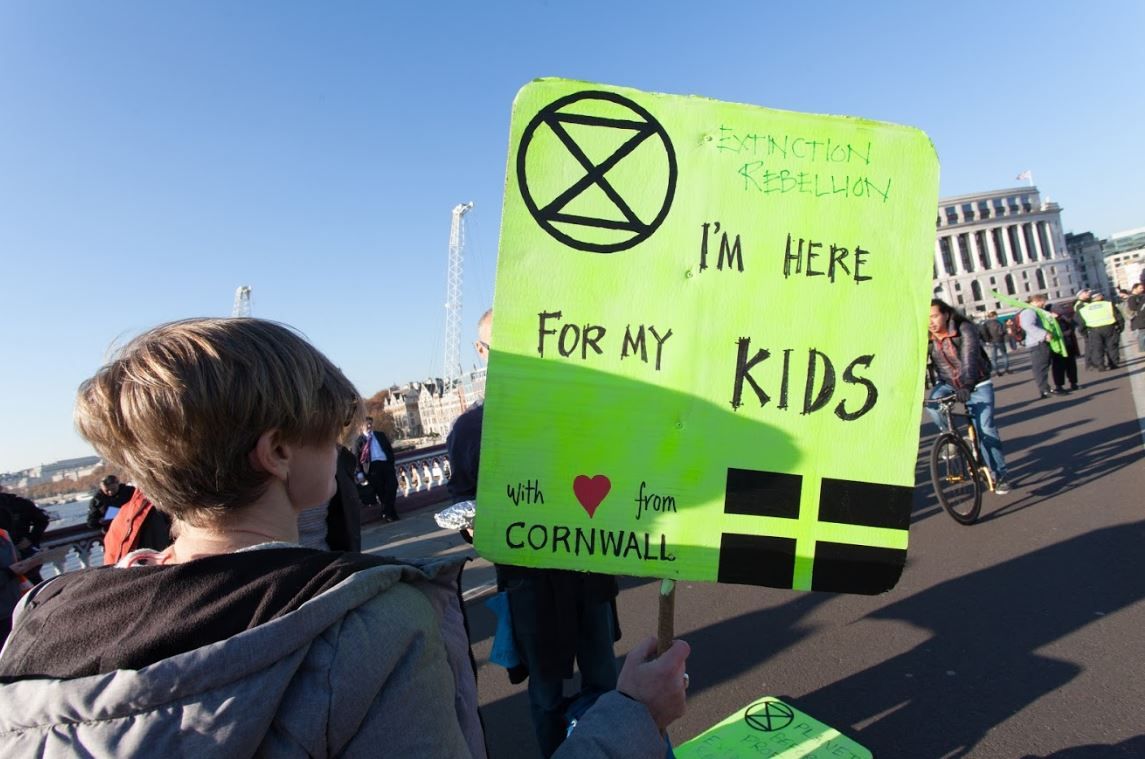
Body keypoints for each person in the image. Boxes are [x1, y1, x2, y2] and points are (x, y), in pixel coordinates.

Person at [0, 317, 687, 758]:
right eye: (326, 434)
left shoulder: (44, 627)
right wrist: (631, 716)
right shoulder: (374, 631)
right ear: (275, 453)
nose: (341, 449)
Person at [447, 309, 625, 757]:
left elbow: (613, 470)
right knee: (546, 694)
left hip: (588, 571)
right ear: (481, 351)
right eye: (497, 345)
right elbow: (462, 500)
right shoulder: (471, 428)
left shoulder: (572, 411)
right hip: (529, 585)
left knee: (605, 680)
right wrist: (474, 530)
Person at [926, 299, 1010, 495]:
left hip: (977, 382)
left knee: (986, 429)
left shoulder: (964, 328)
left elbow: (970, 358)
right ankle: (950, 437)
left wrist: (967, 385)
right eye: (926, 318)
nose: (930, 322)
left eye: (934, 316)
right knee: (932, 405)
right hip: (948, 383)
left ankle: (1000, 475)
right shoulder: (926, 337)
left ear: (946, 314)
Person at [354, 416, 399, 522]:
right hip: (372, 468)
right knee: (381, 492)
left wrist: (391, 461)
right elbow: (356, 457)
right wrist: (359, 472)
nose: (370, 426)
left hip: (385, 464)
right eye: (367, 424)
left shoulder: (380, 435)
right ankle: (391, 514)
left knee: (393, 485)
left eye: (370, 423)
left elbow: (389, 449)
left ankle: (386, 512)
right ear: (361, 426)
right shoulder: (359, 441)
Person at [0, 488, 50, 583]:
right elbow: (43, 519)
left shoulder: (18, 504)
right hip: (24, 552)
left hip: (14, 555)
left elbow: (42, 519)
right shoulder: (19, 503)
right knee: (34, 584)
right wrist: (31, 540)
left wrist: (31, 540)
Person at [1019, 293, 1055, 399]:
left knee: (1043, 366)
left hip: (1038, 342)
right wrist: (1044, 334)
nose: (1044, 304)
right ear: (1038, 301)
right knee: (1040, 367)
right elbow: (1027, 325)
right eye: (1043, 302)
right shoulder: (1029, 311)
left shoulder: (1032, 310)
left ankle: (1045, 388)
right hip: (1037, 342)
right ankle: (1044, 389)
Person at [1076, 292, 1124, 371]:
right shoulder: (1108, 304)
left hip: (1094, 329)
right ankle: (1113, 363)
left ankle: (1100, 365)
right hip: (1109, 327)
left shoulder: (1084, 308)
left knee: (1097, 348)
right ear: (1100, 297)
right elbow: (1118, 316)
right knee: (1112, 346)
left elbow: (1081, 322)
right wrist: (1120, 327)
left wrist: (1084, 333)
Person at [1048, 302, 1081, 393]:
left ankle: (1073, 383)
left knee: (1071, 365)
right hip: (1057, 347)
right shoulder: (1049, 320)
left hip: (1068, 344)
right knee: (1058, 367)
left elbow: (1072, 326)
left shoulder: (1064, 318)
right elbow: (1051, 333)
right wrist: (1065, 333)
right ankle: (1059, 386)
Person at [980, 311, 1009, 375]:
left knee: (993, 358)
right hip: (999, 340)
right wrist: (1005, 330)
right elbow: (1001, 332)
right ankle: (1006, 369)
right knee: (1004, 355)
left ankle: (996, 371)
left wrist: (987, 340)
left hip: (991, 342)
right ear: (994, 316)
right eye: (996, 315)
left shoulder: (985, 324)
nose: (997, 316)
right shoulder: (998, 323)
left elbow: (983, 332)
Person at [1127, 282, 1145, 354]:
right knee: (1142, 335)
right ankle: (1142, 350)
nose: (1142, 289)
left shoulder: (1140, 297)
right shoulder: (1132, 298)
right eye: (1140, 288)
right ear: (1135, 289)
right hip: (1139, 320)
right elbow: (1133, 308)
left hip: (1141, 319)